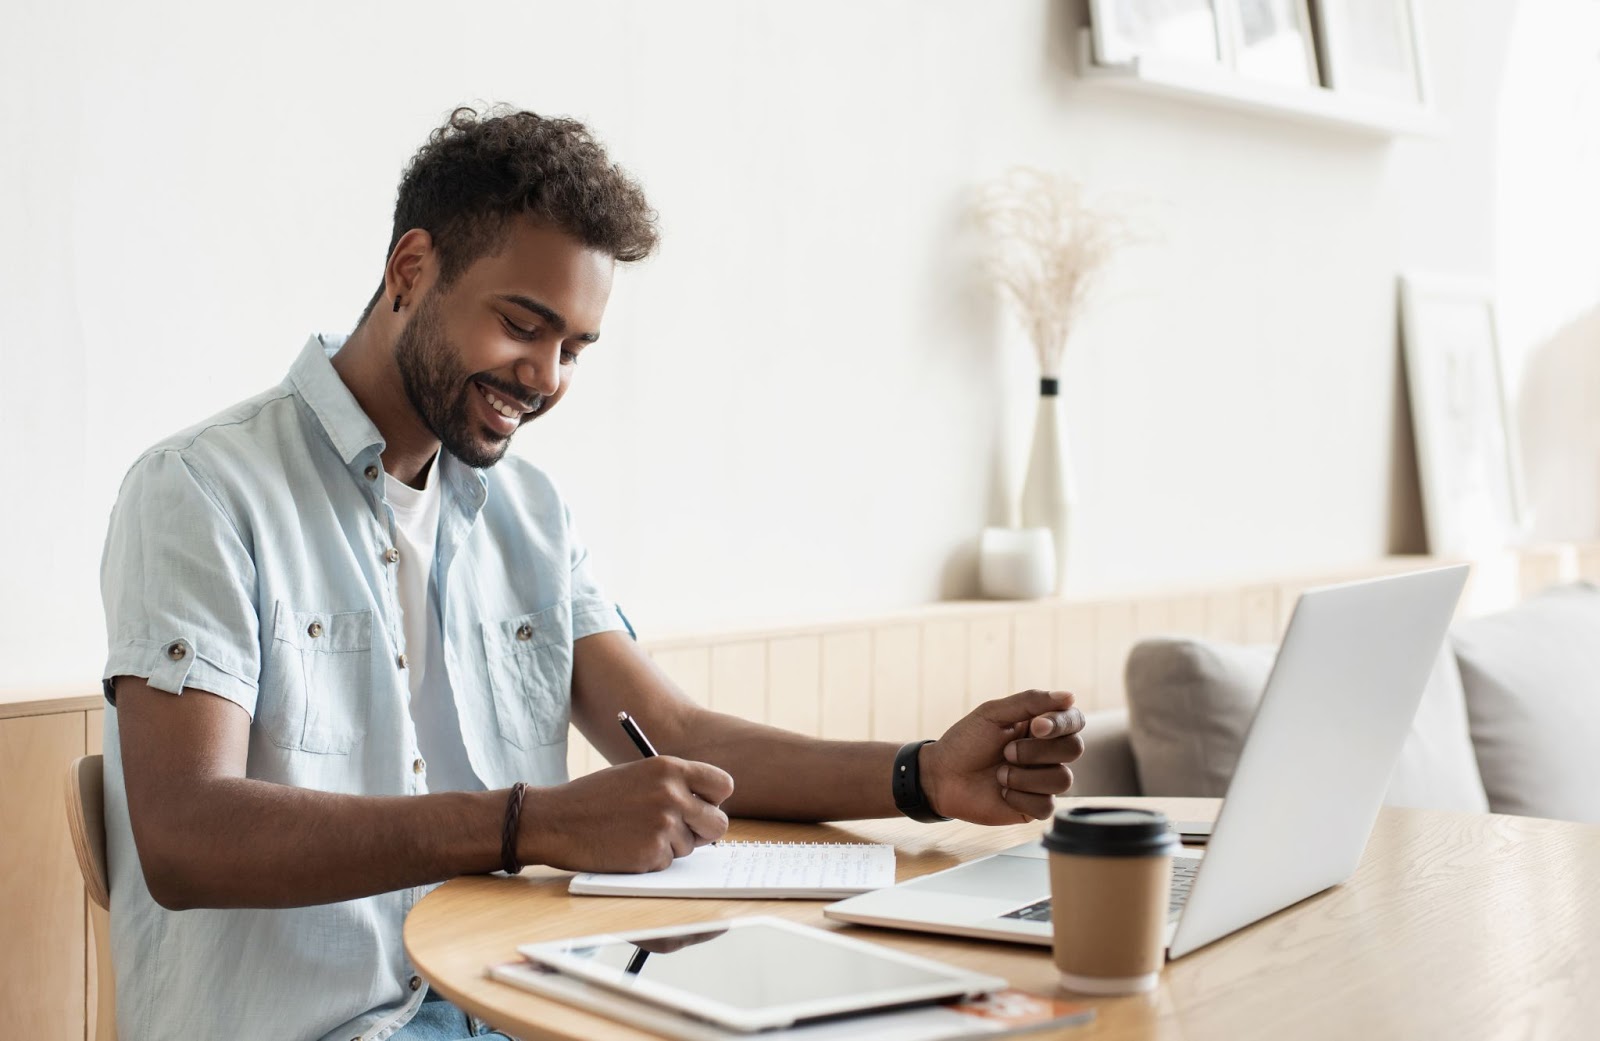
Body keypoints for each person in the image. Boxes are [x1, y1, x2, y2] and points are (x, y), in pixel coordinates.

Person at [99, 105, 1087, 1041]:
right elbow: (189, 836)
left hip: (518, 1000)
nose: (547, 378)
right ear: (411, 268)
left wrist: (923, 775)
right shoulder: (200, 491)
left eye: (574, 348)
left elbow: (675, 733)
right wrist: (530, 823)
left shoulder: (529, 514)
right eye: (523, 325)